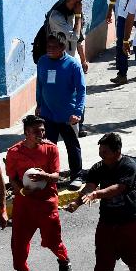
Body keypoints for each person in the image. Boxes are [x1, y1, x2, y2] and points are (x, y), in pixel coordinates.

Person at [62, 133, 136, 271]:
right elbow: (89, 187)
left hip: (129, 221)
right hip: (107, 222)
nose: (101, 154)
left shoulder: (128, 166)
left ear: (117, 151)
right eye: (100, 150)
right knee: (102, 260)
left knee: (133, 255)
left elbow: (118, 188)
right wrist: (77, 202)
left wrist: (97, 195)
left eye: (105, 151)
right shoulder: (98, 167)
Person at [6, 116, 71, 271]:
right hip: (24, 204)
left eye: (43, 130)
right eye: (37, 131)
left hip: (46, 202)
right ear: (27, 132)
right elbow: (12, 178)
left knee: (53, 239)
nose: (41, 133)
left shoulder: (51, 149)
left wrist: (46, 177)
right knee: (19, 242)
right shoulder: (14, 153)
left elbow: (56, 175)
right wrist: (21, 190)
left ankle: (64, 261)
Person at [35, 34, 85, 184]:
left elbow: (81, 89)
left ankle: (77, 176)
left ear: (63, 48)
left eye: (54, 47)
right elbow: (40, 85)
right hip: (48, 113)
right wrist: (39, 104)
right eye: (48, 47)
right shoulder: (42, 62)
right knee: (48, 147)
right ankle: (49, 176)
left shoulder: (72, 64)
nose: (50, 50)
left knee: (72, 145)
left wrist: (78, 112)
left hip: (67, 115)